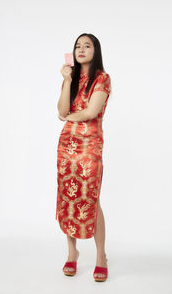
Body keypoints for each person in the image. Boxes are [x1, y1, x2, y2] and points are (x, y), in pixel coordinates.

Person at [55, 33, 111, 282]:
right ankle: (72, 252)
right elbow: (61, 109)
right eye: (78, 45)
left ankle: (101, 256)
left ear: (95, 51)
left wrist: (68, 117)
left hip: (90, 147)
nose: (81, 49)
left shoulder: (102, 78)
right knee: (68, 197)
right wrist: (66, 80)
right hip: (67, 146)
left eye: (87, 45)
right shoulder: (73, 79)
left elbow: (90, 112)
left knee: (92, 198)